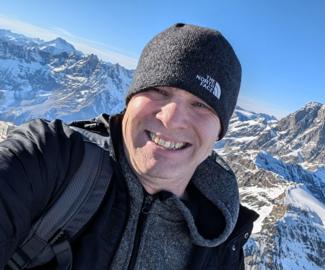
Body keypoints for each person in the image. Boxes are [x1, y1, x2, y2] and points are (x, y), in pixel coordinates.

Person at [0, 23, 258, 269]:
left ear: (219, 131)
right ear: (130, 99)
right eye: (159, 90)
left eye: (201, 104)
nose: (171, 119)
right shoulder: (52, 158)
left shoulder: (222, 242)